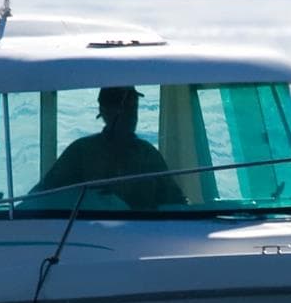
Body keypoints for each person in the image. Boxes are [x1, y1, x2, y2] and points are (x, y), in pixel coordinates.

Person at [28, 86, 187, 210]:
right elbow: (40, 199)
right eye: (124, 108)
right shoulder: (80, 153)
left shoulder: (148, 155)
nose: (131, 115)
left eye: (133, 107)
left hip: (144, 234)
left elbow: (176, 203)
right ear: (104, 111)